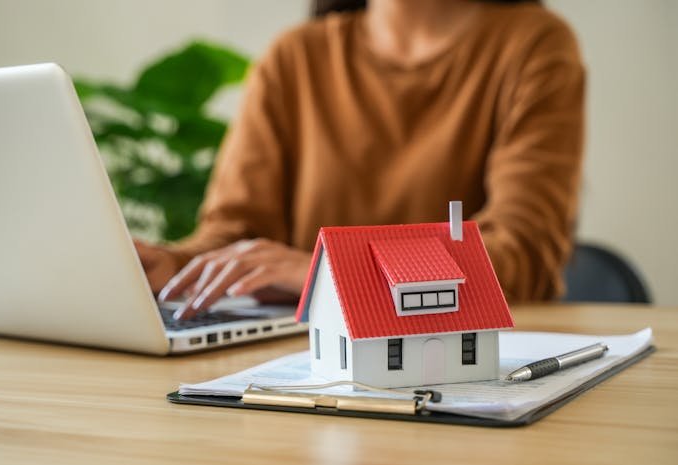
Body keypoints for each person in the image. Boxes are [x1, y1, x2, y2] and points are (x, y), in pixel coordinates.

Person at [135, 0, 585, 320]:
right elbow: (238, 234)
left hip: (472, 362)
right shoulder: (295, 57)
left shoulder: (534, 45)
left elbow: (525, 254)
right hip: (302, 362)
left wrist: (333, 273)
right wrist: (174, 266)